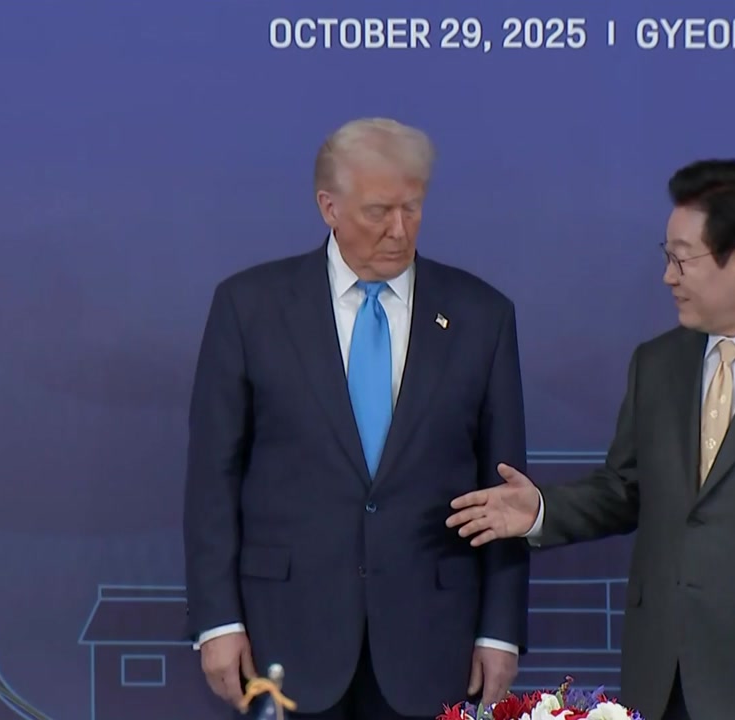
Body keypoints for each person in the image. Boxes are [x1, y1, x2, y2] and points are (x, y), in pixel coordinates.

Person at [446, 159, 735, 720]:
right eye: (668, 256)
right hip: (662, 677)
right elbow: (625, 489)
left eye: (682, 259)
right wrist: (541, 511)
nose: (668, 276)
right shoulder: (657, 364)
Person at [184, 117, 530, 720]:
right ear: (329, 207)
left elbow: (504, 490)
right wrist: (217, 620)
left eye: (412, 208)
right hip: (283, 636)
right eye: (378, 211)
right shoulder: (249, 308)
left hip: (433, 640)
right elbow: (214, 478)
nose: (399, 230)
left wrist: (500, 631)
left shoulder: (482, 316)